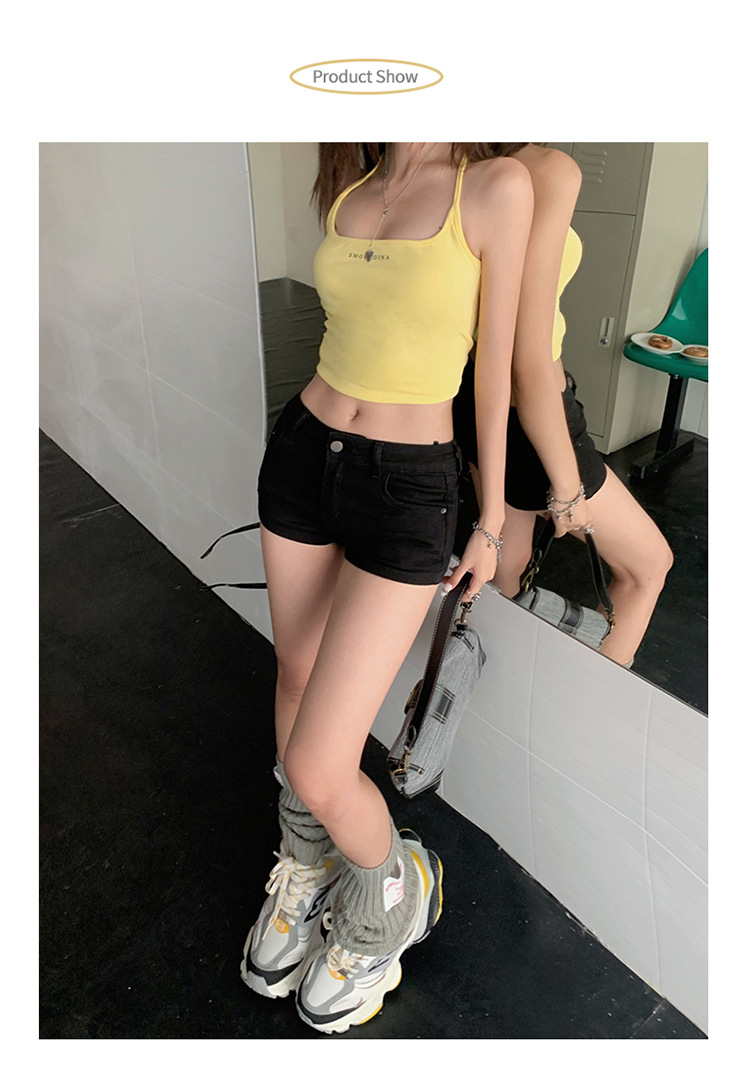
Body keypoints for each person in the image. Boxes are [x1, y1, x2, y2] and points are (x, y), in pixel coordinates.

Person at [240, 142, 533, 1034]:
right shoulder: (351, 182)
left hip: (410, 486)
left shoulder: (496, 186)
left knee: (321, 762)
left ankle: (391, 900)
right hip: (305, 454)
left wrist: (490, 518)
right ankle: (308, 863)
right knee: (295, 675)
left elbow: (494, 366)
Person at [453, 144, 673, 667]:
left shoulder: (452, 163)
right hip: (533, 413)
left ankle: (484, 685)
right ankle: (584, 700)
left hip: (474, 402)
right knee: (647, 568)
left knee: (505, 572)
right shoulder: (548, 170)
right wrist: (568, 488)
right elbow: (528, 359)